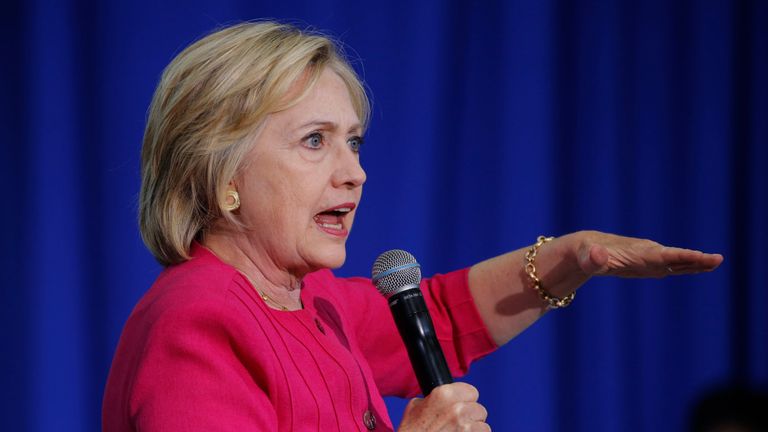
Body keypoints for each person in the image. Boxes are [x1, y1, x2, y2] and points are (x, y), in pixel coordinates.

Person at [102, 21, 723, 431]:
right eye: (315, 141)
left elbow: (442, 318)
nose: (355, 173)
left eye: (354, 142)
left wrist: (572, 256)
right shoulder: (196, 327)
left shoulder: (307, 299)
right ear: (220, 175)